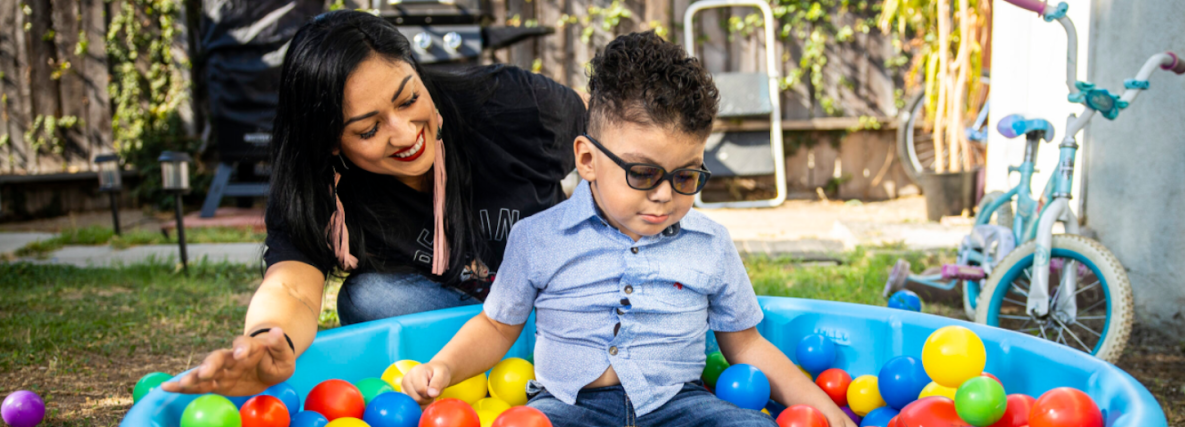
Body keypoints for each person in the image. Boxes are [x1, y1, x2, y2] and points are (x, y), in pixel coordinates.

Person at [402, 31, 858, 427]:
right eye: (642, 174)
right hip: (568, 407)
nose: (664, 195)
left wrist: (821, 407)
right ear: (587, 161)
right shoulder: (537, 238)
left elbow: (746, 345)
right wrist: (442, 367)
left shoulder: (711, 245)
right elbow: (497, 328)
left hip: (680, 407)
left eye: (686, 177)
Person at [162, 10, 586, 397]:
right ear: (330, 141)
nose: (404, 134)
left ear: (417, 73)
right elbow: (291, 287)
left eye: (408, 99)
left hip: (559, 304)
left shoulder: (510, 104)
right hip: (462, 319)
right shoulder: (316, 185)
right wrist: (266, 341)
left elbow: (615, 142)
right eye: (368, 129)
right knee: (367, 298)